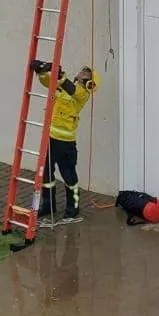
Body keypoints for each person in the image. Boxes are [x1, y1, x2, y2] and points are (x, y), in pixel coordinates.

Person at [31, 60, 100, 223]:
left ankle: (73, 207)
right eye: (83, 70)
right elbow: (48, 82)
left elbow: (71, 88)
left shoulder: (83, 94)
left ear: (89, 81)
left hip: (66, 142)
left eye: (86, 72)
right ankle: (48, 205)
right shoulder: (63, 86)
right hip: (51, 137)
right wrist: (41, 71)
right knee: (46, 174)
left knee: (69, 176)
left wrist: (59, 74)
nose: (82, 72)